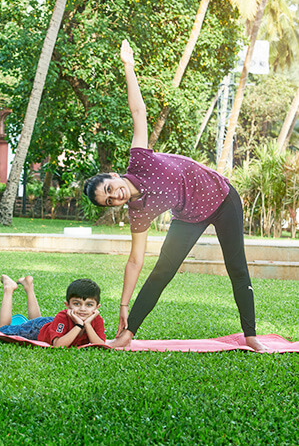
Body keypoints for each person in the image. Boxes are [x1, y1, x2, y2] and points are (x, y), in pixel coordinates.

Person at [83, 40, 266, 352]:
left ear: (114, 176)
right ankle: (127, 335)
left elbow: (137, 110)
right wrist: (124, 306)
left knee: (237, 266)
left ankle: (250, 335)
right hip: (189, 216)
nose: (115, 197)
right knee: (161, 272)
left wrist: (129, 67)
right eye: (109, 201)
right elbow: (135, 260)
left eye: (110, 189)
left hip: (222, 198)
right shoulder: (137, 212)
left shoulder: (139, 158)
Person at [0, 275, 106, 348]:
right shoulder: (63, 316)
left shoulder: (96, 320)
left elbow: (101, 346)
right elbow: (58, 345)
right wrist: (79, 325)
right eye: (77, 304)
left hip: (51, 325)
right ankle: (8, 288)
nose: (83, 309)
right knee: (1, 330)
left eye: (89, 305)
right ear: (67, 305)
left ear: (97, 307)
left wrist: (87, 324)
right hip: (37, 329)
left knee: (36, 320)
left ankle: (28, 286)